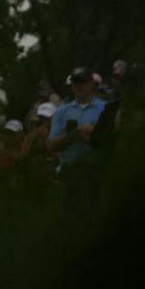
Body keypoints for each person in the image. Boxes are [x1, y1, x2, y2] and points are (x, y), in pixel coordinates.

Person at [47, 68, 107, 206]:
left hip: (96, 172)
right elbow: (50, 145)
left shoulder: (105, 108)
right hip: (69, 173)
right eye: (75, 82)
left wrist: (87, 131)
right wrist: (74, 135)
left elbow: (108, 140)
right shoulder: (62, 111)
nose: (79, 86)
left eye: (82, 82)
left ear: (91, 83)